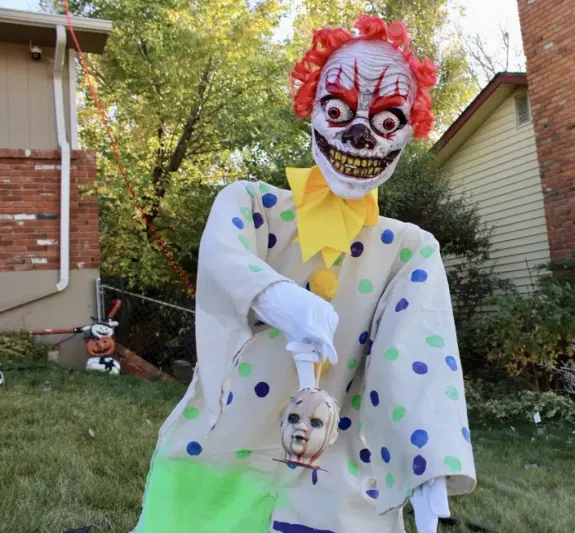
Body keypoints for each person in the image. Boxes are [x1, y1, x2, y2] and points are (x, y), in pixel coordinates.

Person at [133, 15, 476, 533]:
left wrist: (426, 468)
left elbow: (417, 356)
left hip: (336, 481)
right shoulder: (250, 205)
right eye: (338, 109)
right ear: (310, 107)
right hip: (222, 448)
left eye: (386, 121)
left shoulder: (410, 251)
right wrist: (275, 297)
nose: (360, 136)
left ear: (412, 128)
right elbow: (224, 260)